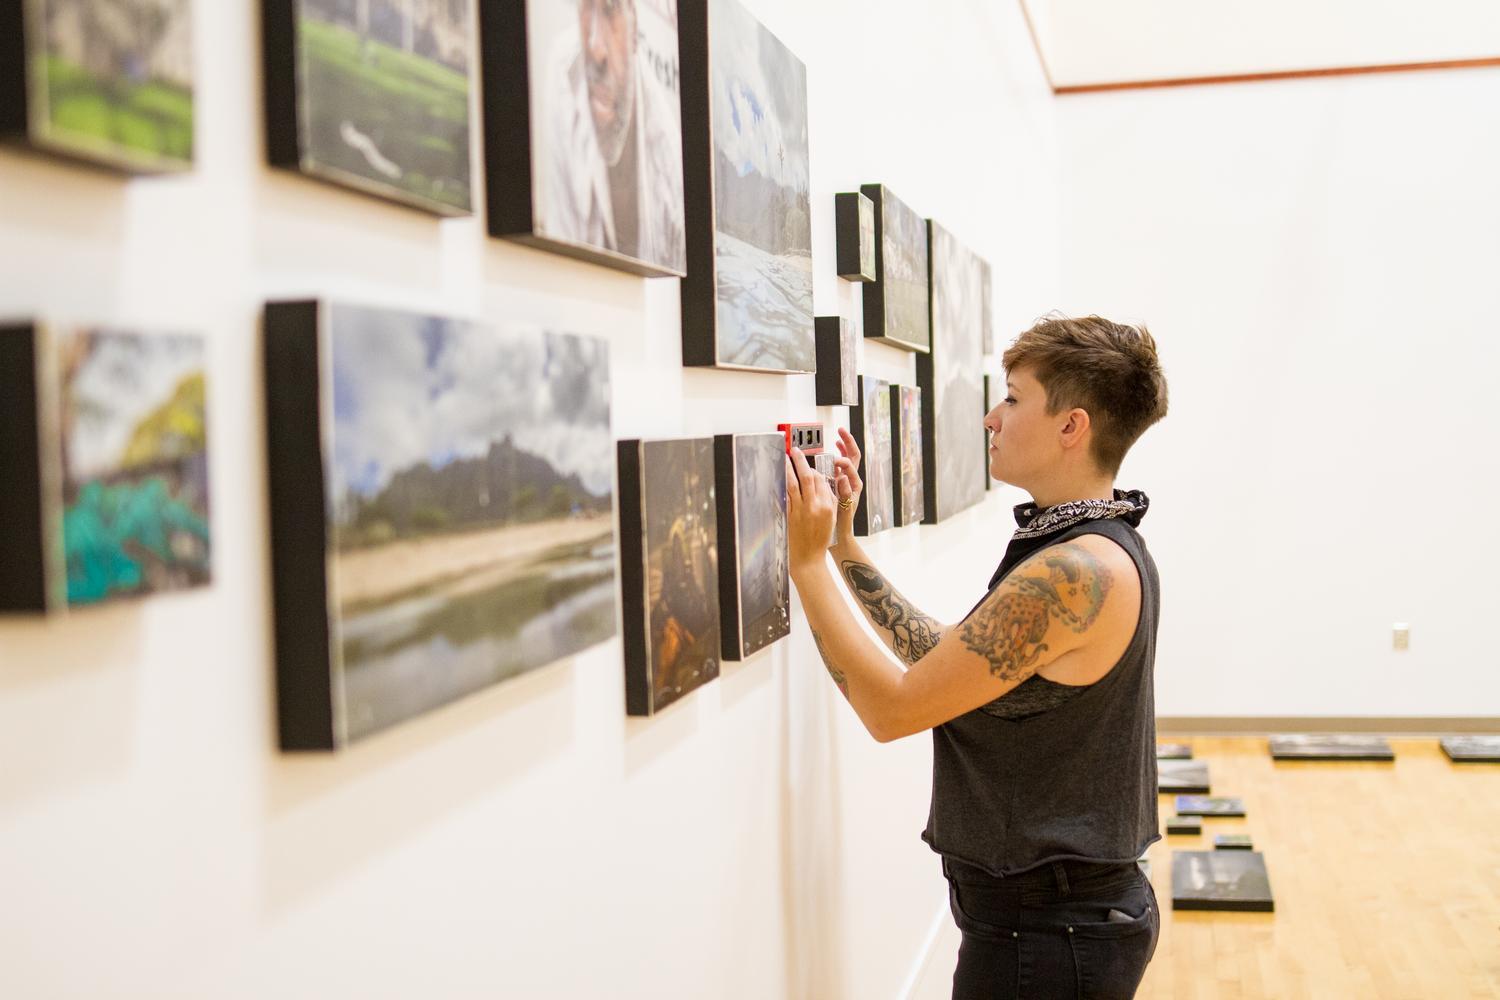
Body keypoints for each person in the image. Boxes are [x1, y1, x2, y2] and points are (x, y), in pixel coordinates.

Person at [785, 315, 1169, 999]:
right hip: (1049, 922)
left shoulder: (1076, 573)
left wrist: (807, 564)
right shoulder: (1090, 544)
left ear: (1071, 426)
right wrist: (842, 547)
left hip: (1050, 934)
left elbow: (893, 709)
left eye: (1013, 398)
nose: (993, 417)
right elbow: (952, 661)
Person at [539, 0, 686, 272]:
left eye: (610, 10)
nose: (595, 48)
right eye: (586, 6)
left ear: (634, 30)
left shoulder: (671, 162)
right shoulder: (563, 74)